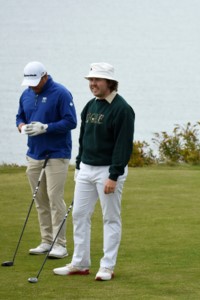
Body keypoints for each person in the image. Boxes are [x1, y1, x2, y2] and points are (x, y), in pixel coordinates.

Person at [53, 62, 135, 281]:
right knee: (79, 215)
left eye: (97, 80)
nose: (92, 84)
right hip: (86, 169)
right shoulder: (90, 106)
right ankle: (80, 263)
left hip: (108, 171)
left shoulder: (122, 109)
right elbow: (83, 139)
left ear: (109, 82)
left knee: (110, 218)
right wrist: (79, 165)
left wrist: (114, 175)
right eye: (90, 80)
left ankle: (107, 266)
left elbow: (123, 145)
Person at [16, 61, 77, 259]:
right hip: (34, 153)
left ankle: (60, 245)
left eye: (36, 81)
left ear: (45, 76)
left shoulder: (61, 93)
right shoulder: (26, 94)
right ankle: (46, 241)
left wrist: (47, 127)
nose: (33, 86)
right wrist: (22, 127)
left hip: (57, 154)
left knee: (54, 198)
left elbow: (71, 121)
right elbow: (19, 117)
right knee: (40, 199)